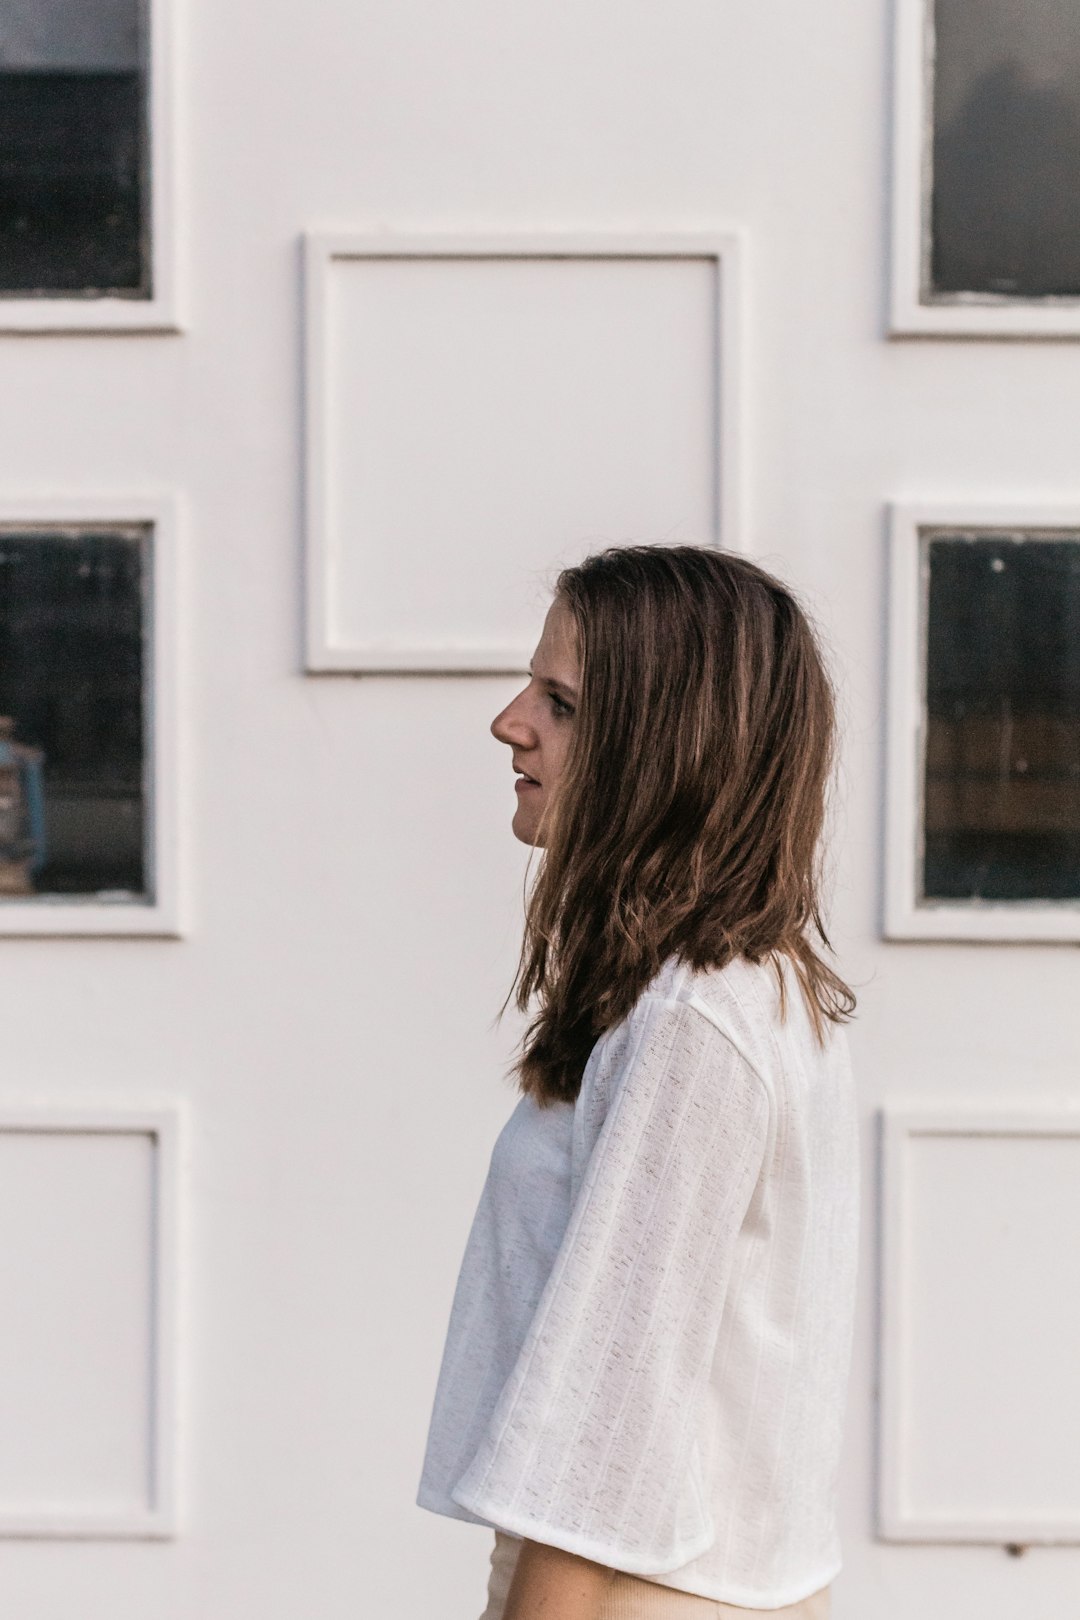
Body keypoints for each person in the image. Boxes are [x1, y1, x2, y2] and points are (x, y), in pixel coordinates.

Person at [416, 544, 860, 1619]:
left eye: (560, 703)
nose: (509, 721)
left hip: (629, 1593)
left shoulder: (694, 1023)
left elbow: (606, 1419)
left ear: (667, 751)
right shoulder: (744, 989)